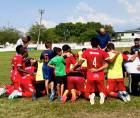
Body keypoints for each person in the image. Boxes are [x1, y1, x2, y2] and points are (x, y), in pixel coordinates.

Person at [73, 37, 110, 105]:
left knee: (86, 92)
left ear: (90, 43)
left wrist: (73, 68)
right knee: (103, 91)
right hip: (100, 74)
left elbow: (80, 63)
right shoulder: (103, 52)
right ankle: (102, 95)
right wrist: (97, 69)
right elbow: (107, 64)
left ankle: (90, 96)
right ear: (98, 44)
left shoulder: (86, 52)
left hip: (90, 74)